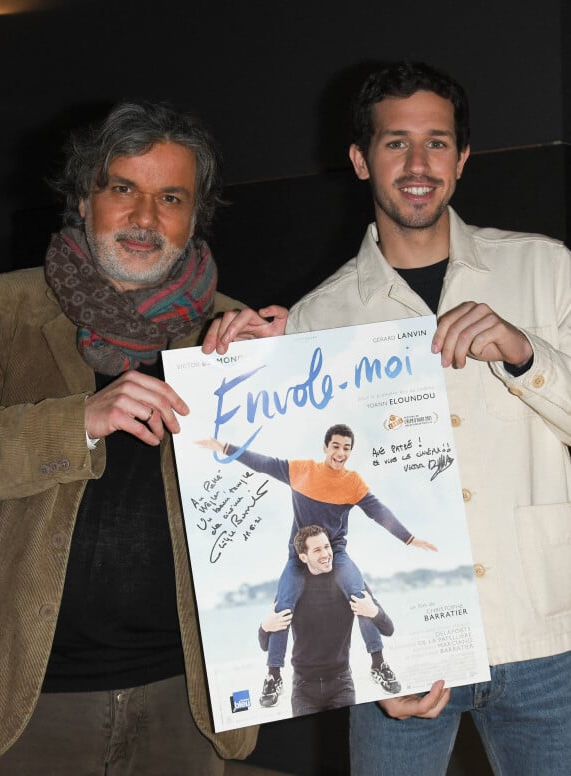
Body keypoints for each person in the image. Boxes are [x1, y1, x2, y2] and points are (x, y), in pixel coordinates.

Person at [204, 61, 571, 775]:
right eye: (395, 142)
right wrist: (239, 372)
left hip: (548, 639)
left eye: (437, 142)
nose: (417, 163)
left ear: (462, 158)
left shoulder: (547, 270)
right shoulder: (319, 315)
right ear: (359, 159)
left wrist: (526, 354)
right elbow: (312, 489)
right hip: (405, 656)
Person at [0, 101, 258, 773]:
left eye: (170, 198)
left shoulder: (234, 333)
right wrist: (79, 420)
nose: (144, 219)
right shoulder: (5, 313)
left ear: (194, 216)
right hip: (30, 698)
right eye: (123, 190)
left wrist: (276, 387)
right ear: (84, 199)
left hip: (187, 696)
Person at [197, 426, 436, 707]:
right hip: (298, 556)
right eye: (336, 446)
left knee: (360, 597)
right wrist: (224, 448)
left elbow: (378, 511)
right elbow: (261, 464)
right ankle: (274, 675)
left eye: (346, 448)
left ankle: (378, 663)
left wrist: (408, 538)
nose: (341, 453)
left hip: (336, 553)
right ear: (325, 447)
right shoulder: (301, 470)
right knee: (282, 608)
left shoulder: (353, 483)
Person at [258, 525, 396, 716]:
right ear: (303, 557)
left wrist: (373, 611)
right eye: (317, 550)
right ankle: (274, 680)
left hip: (341, 684)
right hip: (303, 689)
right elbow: (265, 645)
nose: (325, 554)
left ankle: (378, 665)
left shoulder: (349, 583)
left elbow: (388, 629)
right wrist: (265, 626)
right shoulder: (293, 590)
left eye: (327, 547)